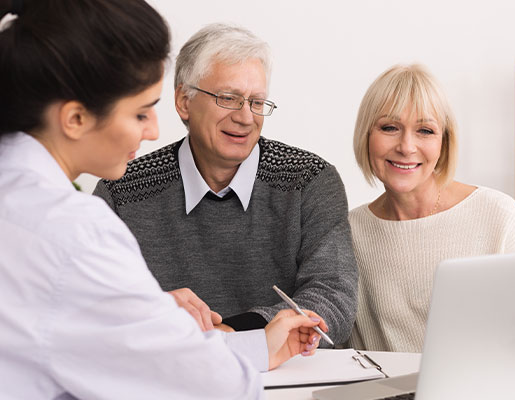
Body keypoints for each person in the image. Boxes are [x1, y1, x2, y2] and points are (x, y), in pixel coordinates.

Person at [0, 1, 328, 398]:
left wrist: (151, 318)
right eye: (141, 113)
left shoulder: (22, 201)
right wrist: (155, 322)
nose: (155, 130)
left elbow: (103, 343)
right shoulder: (79, 232)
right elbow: (212, 385)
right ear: (75, 119)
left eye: (256, 102)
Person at [93, 23, 358, 345]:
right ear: (184, 101)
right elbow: (95, 307)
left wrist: (230, 334)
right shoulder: (122, 190)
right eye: (229, 98)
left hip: (290, 381)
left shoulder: (309, 180)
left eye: (257, 102)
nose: (246, 117)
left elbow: (334, 299)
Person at [347, 64, 515, 353]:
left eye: (425, 130)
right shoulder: (349, 231)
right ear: (366, 135)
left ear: (444, 143)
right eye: (389, 127)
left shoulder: (498, 215)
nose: (407, 147)